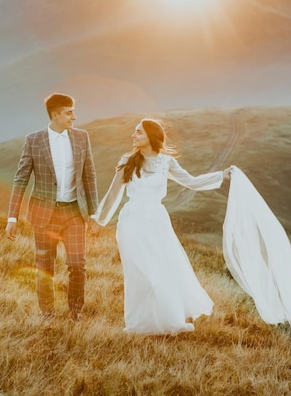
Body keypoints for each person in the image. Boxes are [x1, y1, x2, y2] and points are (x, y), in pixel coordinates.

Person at [91, 118, 232, 335]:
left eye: (138, 132)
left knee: (162, 271)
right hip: (132, 221)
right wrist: (99, 220)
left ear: (150, 136)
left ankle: (168, 321)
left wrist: (221, 175)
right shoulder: (128, 160)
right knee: (142, 274)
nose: (133, 135)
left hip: (157, 222)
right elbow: (113, 194)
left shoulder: (167, 162)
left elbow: (192, 182)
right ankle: (139, 324)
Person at [5, 93, 98, 323]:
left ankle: (76, 312)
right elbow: (21, 179)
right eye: (69, 112)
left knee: (77, 264)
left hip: (74, 213)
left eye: (73, 111)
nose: (74, 117)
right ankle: (47, 314)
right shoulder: (34, 140)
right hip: (44, 215)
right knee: (45, 267)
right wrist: (12, 217)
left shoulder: (81, 137)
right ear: (55, 115)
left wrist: (94, 213)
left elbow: (89, 176)